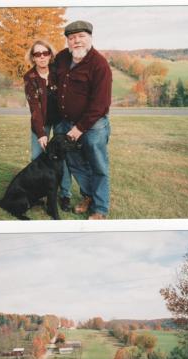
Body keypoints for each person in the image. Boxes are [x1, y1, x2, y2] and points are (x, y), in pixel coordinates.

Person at [55, 21, 112, 219]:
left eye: (80, 36)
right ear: (68, 41)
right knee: (75, 163)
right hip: (65, 123)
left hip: (93, 125)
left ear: (90, 38)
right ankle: (88, 196)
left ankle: (100, 209)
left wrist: (79, 128)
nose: (76, 41)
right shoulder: (62, 58)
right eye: (71, 38)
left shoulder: (99, 64)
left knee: (98, 166)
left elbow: (101, 104)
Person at [23, 40, 72, 212]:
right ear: (33, 57)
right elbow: (34, 108)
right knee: (37, 158)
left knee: (62, 158)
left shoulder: (58, 72)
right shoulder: (30, 78)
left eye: (45, 53)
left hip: (60, 121)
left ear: (50, 55)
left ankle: (65, 194)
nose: (42, 57)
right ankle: (38, 193)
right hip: (40, 123)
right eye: (37, 54)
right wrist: (41, 133)